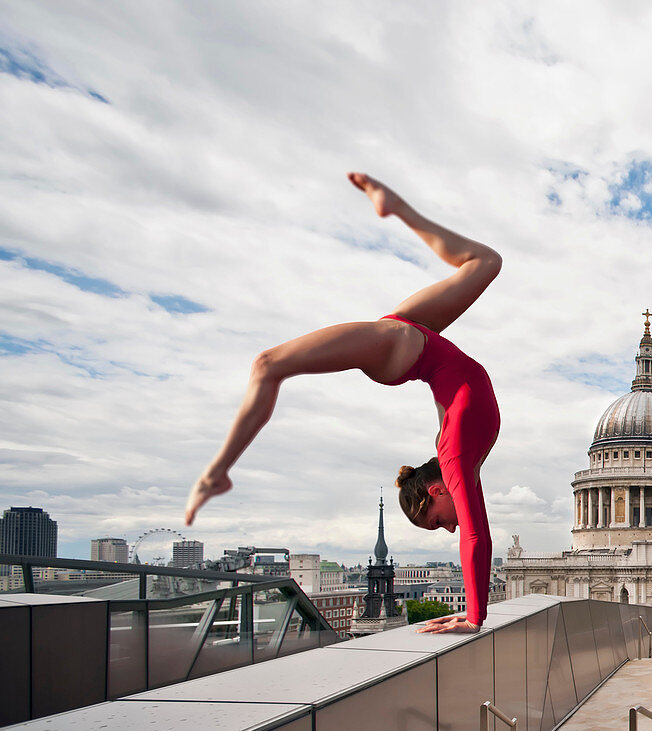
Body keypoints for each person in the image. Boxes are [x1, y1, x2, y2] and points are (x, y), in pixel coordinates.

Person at [184, 173, 501, 634]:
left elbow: (475, 535)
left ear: (436, 491)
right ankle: (396, 207)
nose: (449, 530)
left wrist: (475, 615)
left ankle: (217, 470)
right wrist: (475, 613)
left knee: (268, 363)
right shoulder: (457, 458)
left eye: (436, 524)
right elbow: (476, 532)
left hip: (401, 345)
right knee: (487, 262)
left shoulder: (453, 456)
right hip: (413, 342)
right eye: (440, 529)